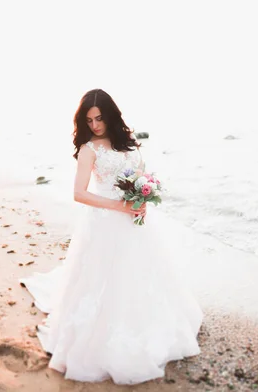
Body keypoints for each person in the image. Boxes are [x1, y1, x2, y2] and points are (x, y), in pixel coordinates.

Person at [20, 89, 202, 384]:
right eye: (89, 120)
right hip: (104, 221)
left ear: (111, 115)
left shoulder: (128, 144)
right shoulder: (89, 149)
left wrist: (142, 201)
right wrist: (121, 206)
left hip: (133, 221)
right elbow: (79, 193)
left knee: (141, 275)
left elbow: (139, 176)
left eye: (99, 118)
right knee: (103, 281)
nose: (95, 125)